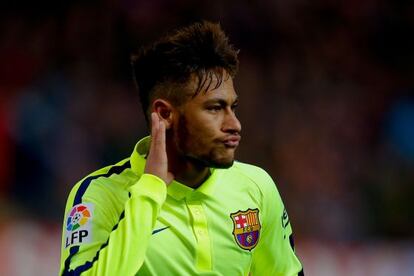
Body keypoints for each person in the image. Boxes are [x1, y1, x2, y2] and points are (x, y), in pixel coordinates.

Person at [59, 21, 304, 276]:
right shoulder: (101, 194)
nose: (234, 124)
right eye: (214, 108)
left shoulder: (256, 188)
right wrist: (149, 191)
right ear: (164, 114)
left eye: (234, 107)